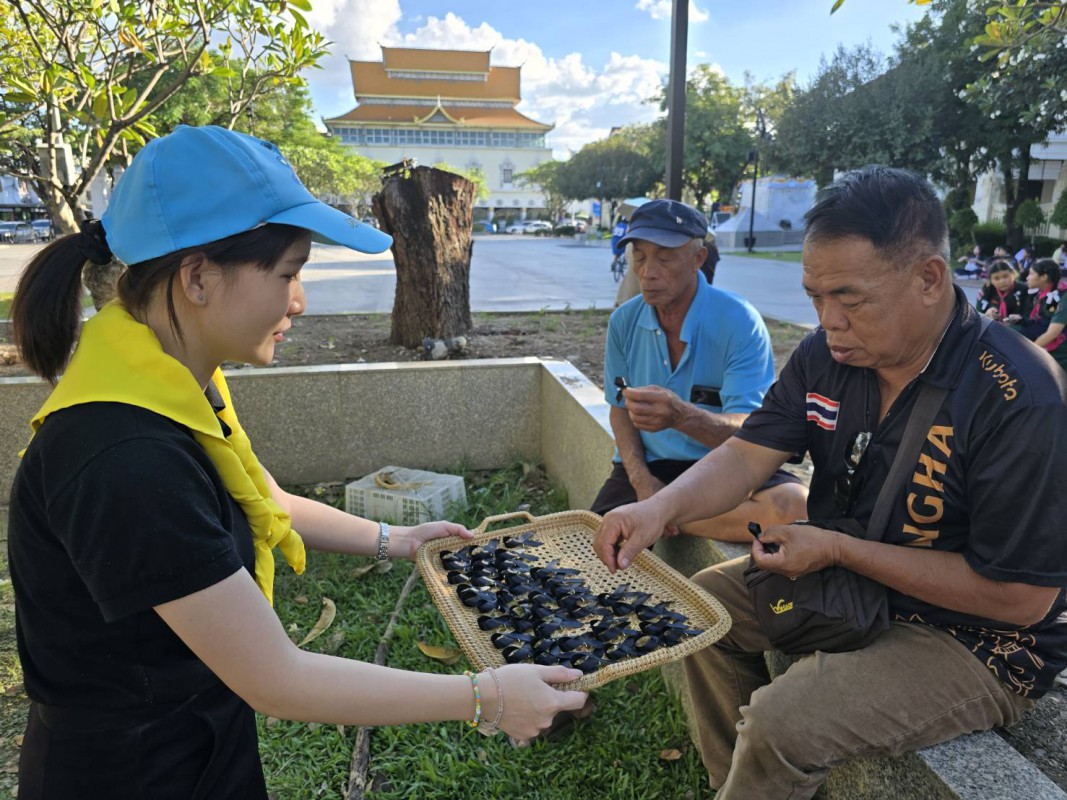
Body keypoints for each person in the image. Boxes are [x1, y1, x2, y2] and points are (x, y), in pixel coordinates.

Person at [7, 125, 587, 799]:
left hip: (195, 733)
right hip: (130, 770)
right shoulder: (122, 457)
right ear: (196, 277)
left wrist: (395, 540)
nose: (300, 301)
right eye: (288, 273)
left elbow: (261, 498)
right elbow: (275, 677)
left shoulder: (160, 378)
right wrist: (484, 697)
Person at [592, 167, 1067, 799]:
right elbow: (745, 456)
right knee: (695, 613)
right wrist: (658, 509)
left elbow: (1019, 601)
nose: (828, 320)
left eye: (849, 297)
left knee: (783, 723)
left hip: (977, 638)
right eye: (815, 296)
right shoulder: (826, 355)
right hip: (851, 573)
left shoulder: (1018, 395)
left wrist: (840, 549)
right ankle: (732, 784)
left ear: (929, 279)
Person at [591, 199, 808, 543]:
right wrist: (642, 482)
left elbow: (752, 434)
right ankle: (654, 512)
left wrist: (681, 416)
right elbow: (619, 411)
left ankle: (658, 518)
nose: (648, 271)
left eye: (664, 256)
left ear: (698, 259)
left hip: (725, 465)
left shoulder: (738, 321)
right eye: (640, 256)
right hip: (652, 465)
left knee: (794, 507)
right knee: (591, 546)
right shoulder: (624, 321)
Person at [1015, 258, 1062, 341]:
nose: (1027, 278)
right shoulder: (1039, 293)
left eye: (1031, 274)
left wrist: (1021, 333)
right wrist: (1021, 320)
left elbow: (1045, 326)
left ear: (1044, 277)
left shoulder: (1054, 298)